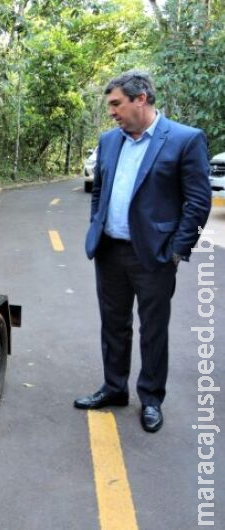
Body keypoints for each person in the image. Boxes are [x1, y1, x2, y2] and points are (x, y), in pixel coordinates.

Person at [75, 71, 211, 433]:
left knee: (153, 330)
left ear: (141, 99)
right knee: (113, 325)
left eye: (116, 104)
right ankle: (114, 388)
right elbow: (99, 194)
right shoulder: (108, 141)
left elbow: (199, 205)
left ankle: (151, 399)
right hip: (110, 252)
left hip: (155, 256)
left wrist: (180, 250)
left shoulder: (184, 140)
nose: (112, 113)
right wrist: (97, 227)